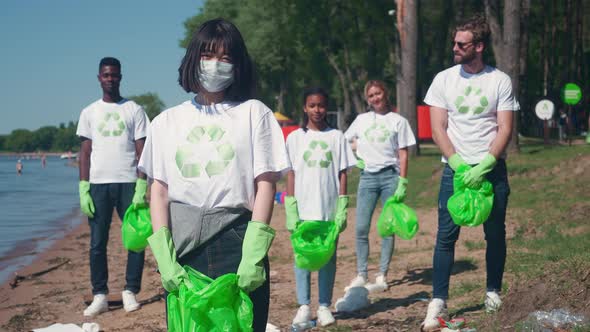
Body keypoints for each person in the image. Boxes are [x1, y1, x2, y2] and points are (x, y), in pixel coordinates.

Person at [138, 18, 289, 331]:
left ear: (237, 65)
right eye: (208, 55)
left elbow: (265, 184)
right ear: (194, 58)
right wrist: (163, 256)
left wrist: (254, 251)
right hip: (184, 246)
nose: (215, 65)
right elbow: (160, 190)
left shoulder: (254, 113)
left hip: (237, 237)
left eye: (226, 58)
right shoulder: (166, 121)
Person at [421, 14, 519, 330]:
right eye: (454, 42)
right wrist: (457, 163)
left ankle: (492, 292)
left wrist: (487, 164)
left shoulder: (499, 80)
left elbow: (505, 127)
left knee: (494, 233)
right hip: (455, 171)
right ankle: (438, 300)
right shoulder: (443, 79)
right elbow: (438, 127)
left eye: (461, 44)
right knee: (446, 236)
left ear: (478, 47)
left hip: (491, 169)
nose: (455, 48)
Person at [76, 57, 150, 317]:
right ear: (99, 78)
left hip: (129, 183)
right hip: (98, 185)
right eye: (106, 75)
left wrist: (143, 184)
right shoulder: (89, 112)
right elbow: (85, 153)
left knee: (135, 239)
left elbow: (143, 151)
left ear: (120, 77)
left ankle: (131, 291)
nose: (110, 79)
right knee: (97, 243)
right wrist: (83, 186)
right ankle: (100, 295)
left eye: (114, 75)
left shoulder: (134, 110)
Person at [284, 87, 356, 327]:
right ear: (305, 107)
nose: (317, 110)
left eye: (321, 105)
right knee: (302, 257)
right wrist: (290, 205)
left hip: (328, 209)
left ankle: (324, 305)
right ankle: (304, 306)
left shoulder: (337, 137)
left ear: (327, 107)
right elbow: (291, 173)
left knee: (328, 257)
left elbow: (343, 172)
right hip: (303, 210)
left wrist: (342, 204)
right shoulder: (295, 138)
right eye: (312, 105)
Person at [344, 80, 416, 292]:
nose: (375, 98)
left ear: (386, 93)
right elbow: (344, 141)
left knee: (387, 228)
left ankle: (382, 274)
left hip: (390, 178)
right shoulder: (361, 120)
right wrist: (354, 159)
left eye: (378, 93)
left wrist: (403, 181)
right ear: (368, 99)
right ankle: (361, 273)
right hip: (367, 178)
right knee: (361, 227)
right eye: (371, 95)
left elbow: (403, 154)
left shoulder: (398, 121)